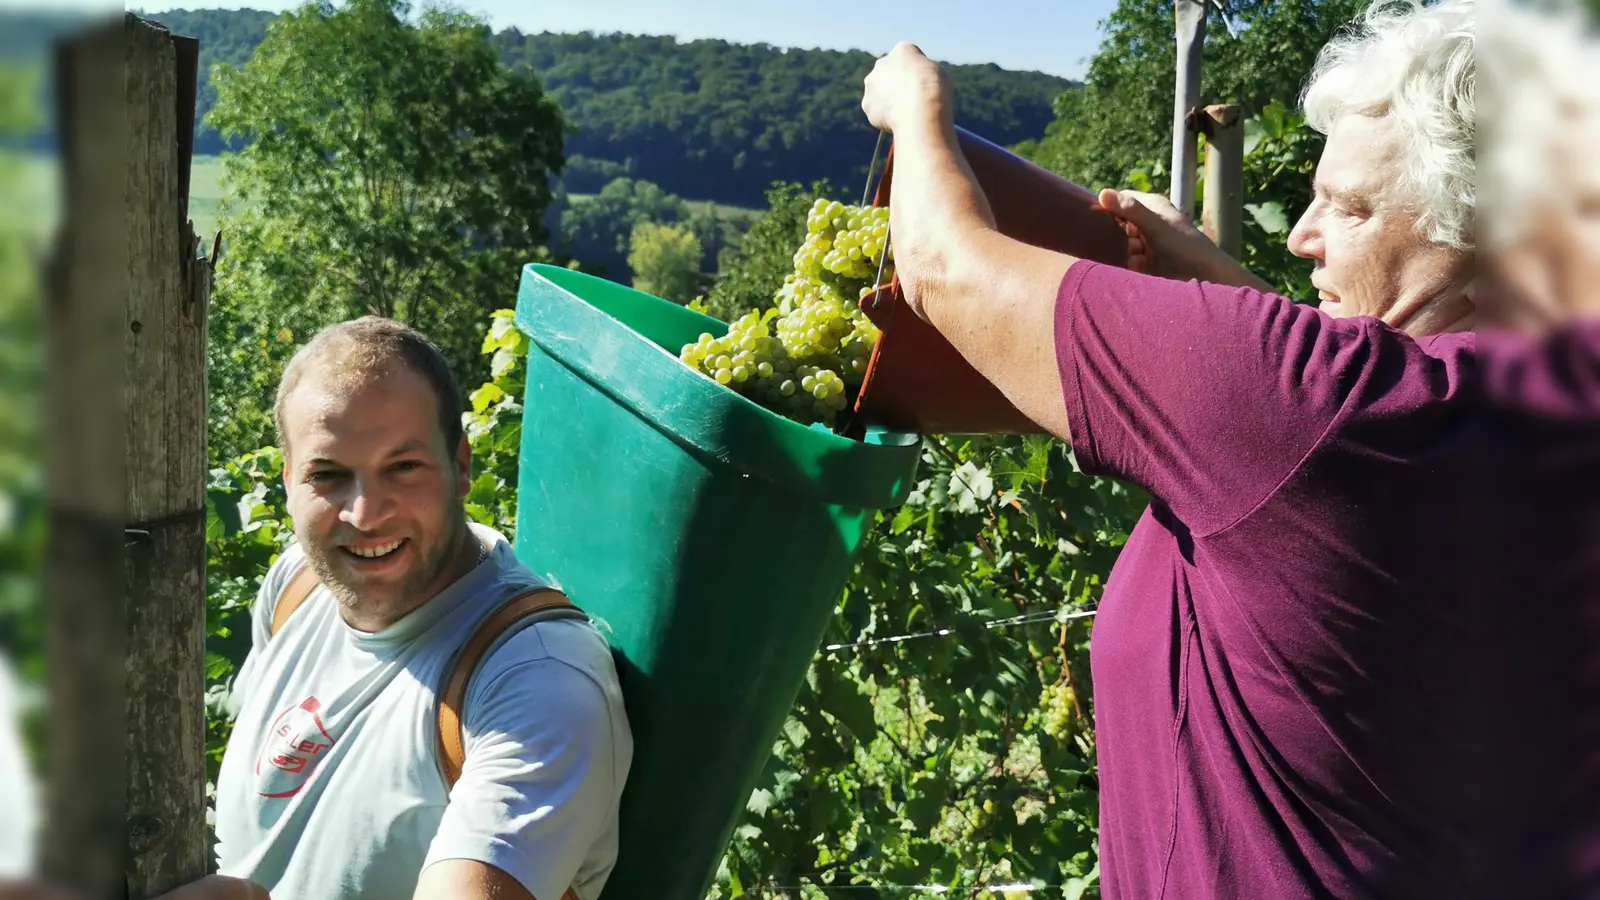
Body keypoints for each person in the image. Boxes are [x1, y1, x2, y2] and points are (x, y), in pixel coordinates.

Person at [860, 0, 1511, 896]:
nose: (1299, 236)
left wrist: (918, 107)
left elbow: (944, 271)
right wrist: (1214, 276)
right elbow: (1348, 408)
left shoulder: (1318, 411)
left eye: (1350, 208)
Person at [205, 317, 633, 900]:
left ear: (460, 466)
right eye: (327, 475)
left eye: (402, 467)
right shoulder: (297, 587)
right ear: (287, 483)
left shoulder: (536, 677)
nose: (365, 513)